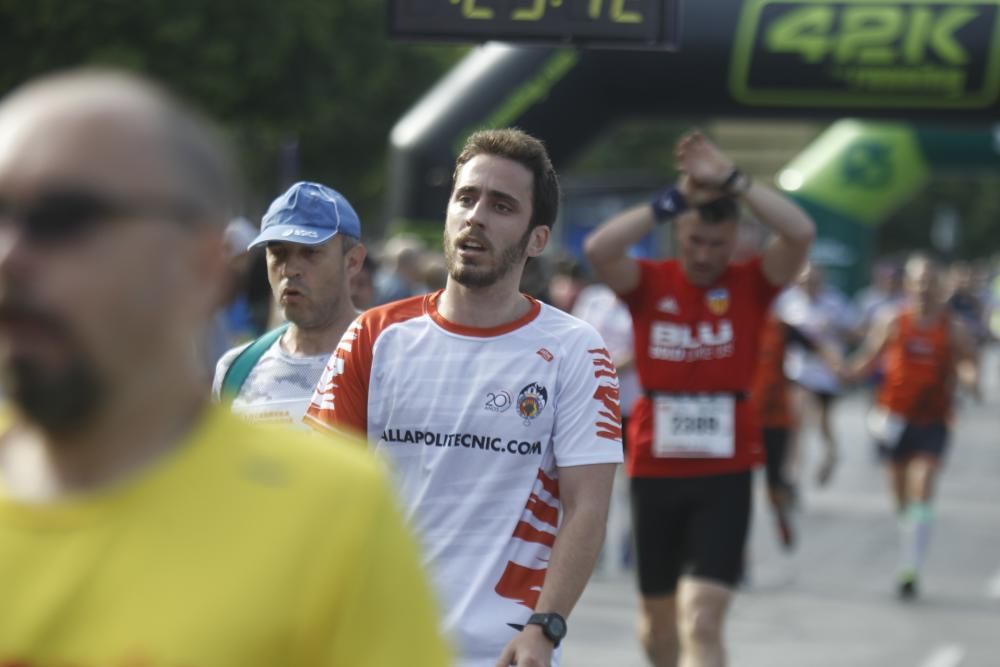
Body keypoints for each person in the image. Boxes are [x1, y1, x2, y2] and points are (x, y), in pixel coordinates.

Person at [0, 68, 449, 665]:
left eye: (67, 218)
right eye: (277, 255)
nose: (12, 254)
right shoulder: (241, 365)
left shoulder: (352, 494)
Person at [305, 128, 623, 667]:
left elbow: (587, 506)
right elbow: (318, 486)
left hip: (499, 651)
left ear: (537, 238)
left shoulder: (575, 349)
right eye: (466, 198)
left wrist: (545, 627)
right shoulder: (375, 335)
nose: (476, 217)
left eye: (501, 206)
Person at [584, 130, 815, 667]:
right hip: (655, 468)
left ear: (734, 240)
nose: (705, 255)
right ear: (678, 235)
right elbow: (600, 248)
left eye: (718, 244)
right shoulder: (649, 282)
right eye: (694, 241)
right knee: (657, 631)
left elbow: (801, 233)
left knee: (701, 619)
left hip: (725, 470)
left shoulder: (750, 283)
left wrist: (733, 180)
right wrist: (678, 198)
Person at [841, 254, 979, 600]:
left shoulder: (954, 328)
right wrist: (845, 370)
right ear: (907, 285)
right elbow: (869, 357)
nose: (923, 288)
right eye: (917, 282)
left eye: (930, 282)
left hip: (933, 420)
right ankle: (910, 538)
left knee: (924, 484)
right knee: (901, 500)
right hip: (893, 419)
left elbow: (967, 364)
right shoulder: (893, 321)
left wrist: (970, 378)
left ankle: (910, 567)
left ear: (940, 287)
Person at [212, 181, 366, 428]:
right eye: (278, 253)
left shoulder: (391, 357)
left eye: (310, 253)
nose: (290, 269)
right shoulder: (236, 370)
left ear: (353, 262)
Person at [774, 263, 860, 486]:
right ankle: (791, 472)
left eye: (814, 281)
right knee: (796, 419)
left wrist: (834, 330)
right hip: (798, 371)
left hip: (827, 373)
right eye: (804, 281)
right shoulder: (787, 302)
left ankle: (831, 453)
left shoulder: (836, 302)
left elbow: (855, 334)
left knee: (823, 423)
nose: (809, 285)